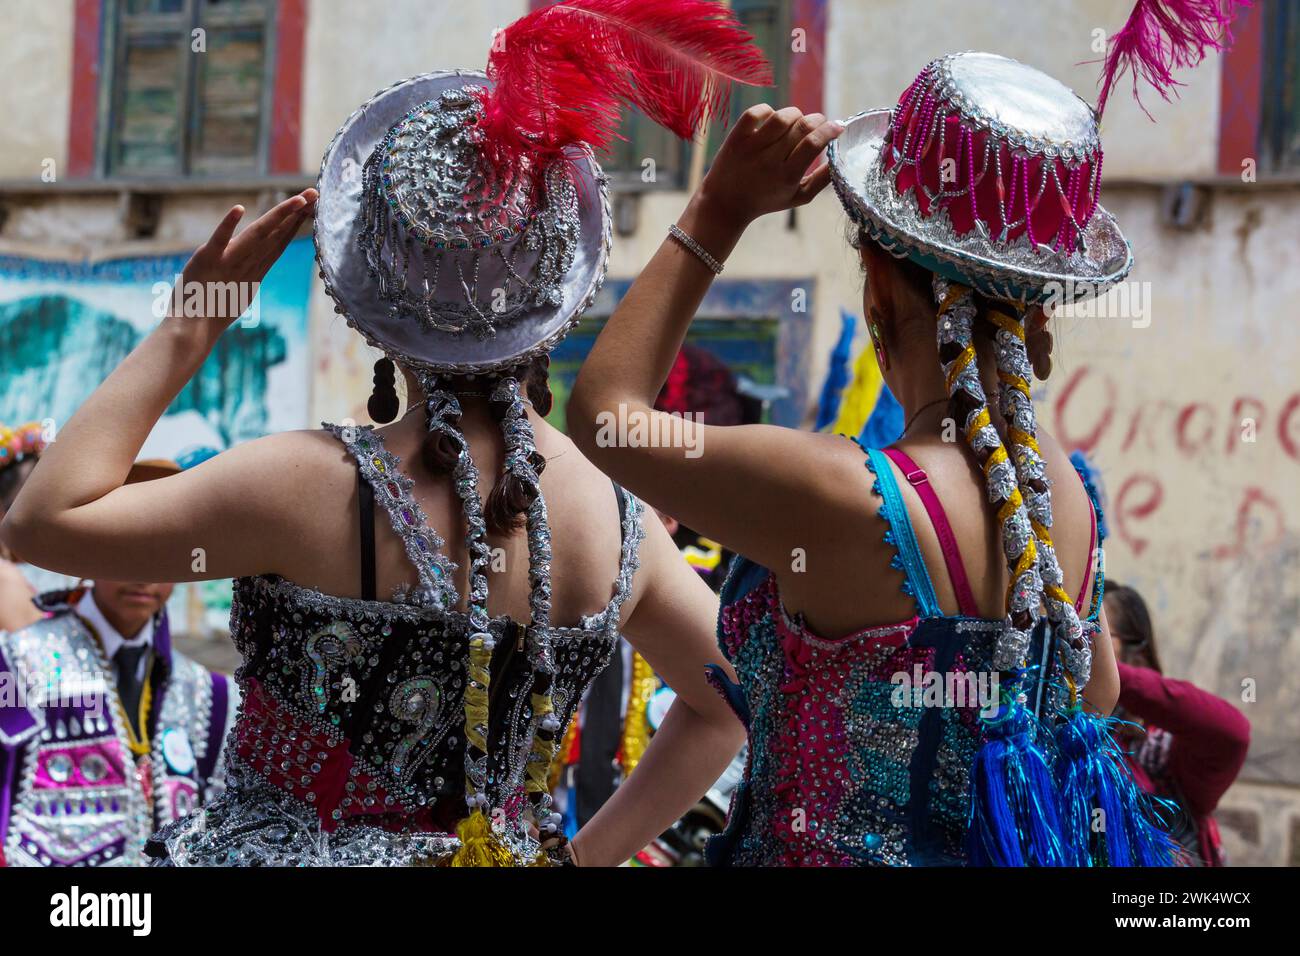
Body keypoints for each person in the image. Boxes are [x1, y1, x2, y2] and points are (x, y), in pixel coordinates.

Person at [1, 0, 768, 866]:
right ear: (552, 304)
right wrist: (584, 859)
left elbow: (41, 521)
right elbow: (735, 698)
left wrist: (190, 325)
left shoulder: (297, 484)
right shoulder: (617, 520)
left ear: (375, 309)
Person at [567, 38, 1214, 864]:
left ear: (876, 285)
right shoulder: (1066, 495)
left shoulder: (842, 492)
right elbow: (1099, 689)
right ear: (1036, 315)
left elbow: (606, 415)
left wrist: (716, 213)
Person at [0, 458, 238, 867]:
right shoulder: (17, 660)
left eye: (163, 555)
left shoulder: (211, 694)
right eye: (126, 550)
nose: (144, 574)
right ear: (91, 554)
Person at [1106, 583, 1250, 866]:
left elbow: (1233, 734)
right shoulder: (1048, 741)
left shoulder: (1161, 755)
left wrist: (1105, 673)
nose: (1073, 641)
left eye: (1095, 634)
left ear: (1136, 657)